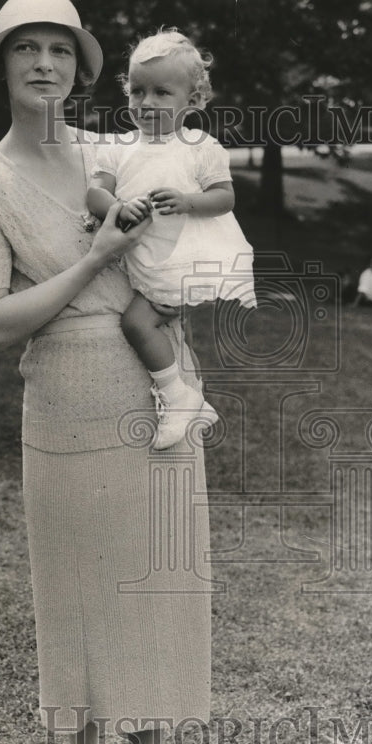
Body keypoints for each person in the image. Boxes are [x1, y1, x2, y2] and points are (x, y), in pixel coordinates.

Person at [0, 0, 214, 744]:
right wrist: (98, 258)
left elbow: (193, 217)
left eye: (61, 50)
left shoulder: (113, 151)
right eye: (27, 48)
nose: (45, 65)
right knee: (73, 591)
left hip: (153, 391)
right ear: (2, 67)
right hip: (61, 394)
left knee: (154, 588)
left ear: (80, 66)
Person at [87, 28, 256, 450]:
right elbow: (94, 192)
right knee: (140, 321)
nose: (146, 104)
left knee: (136, 322)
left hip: (182, 259)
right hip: (144, 258)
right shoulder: (118, 146)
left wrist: (186, 200)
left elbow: (224, 198)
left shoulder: (200, 147)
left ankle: (178, 396)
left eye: (162, 93)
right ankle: (185, 396)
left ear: (193, 101)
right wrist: (115, 207)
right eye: (137, 91)